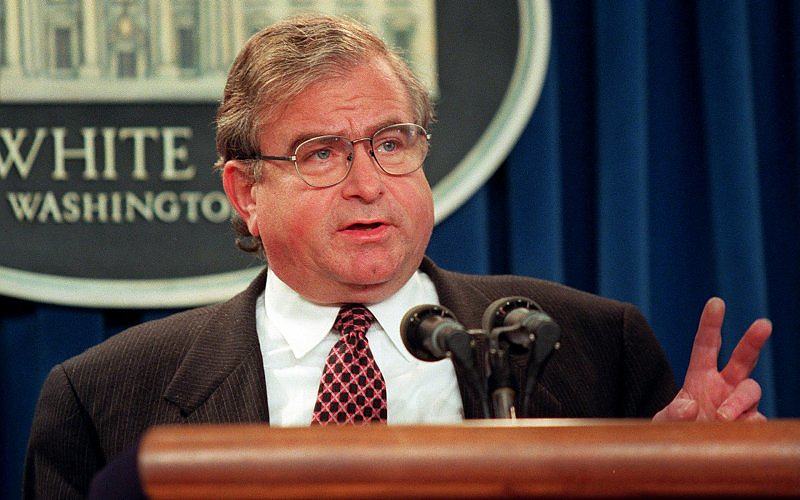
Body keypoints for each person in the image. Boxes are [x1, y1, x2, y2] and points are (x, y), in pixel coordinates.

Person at [24, 14, 771, 499]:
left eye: (390, 143)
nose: (366, 184)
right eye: (321, 153)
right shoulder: (105, 397)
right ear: (245, 191)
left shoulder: (593, 347)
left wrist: (693, 473)